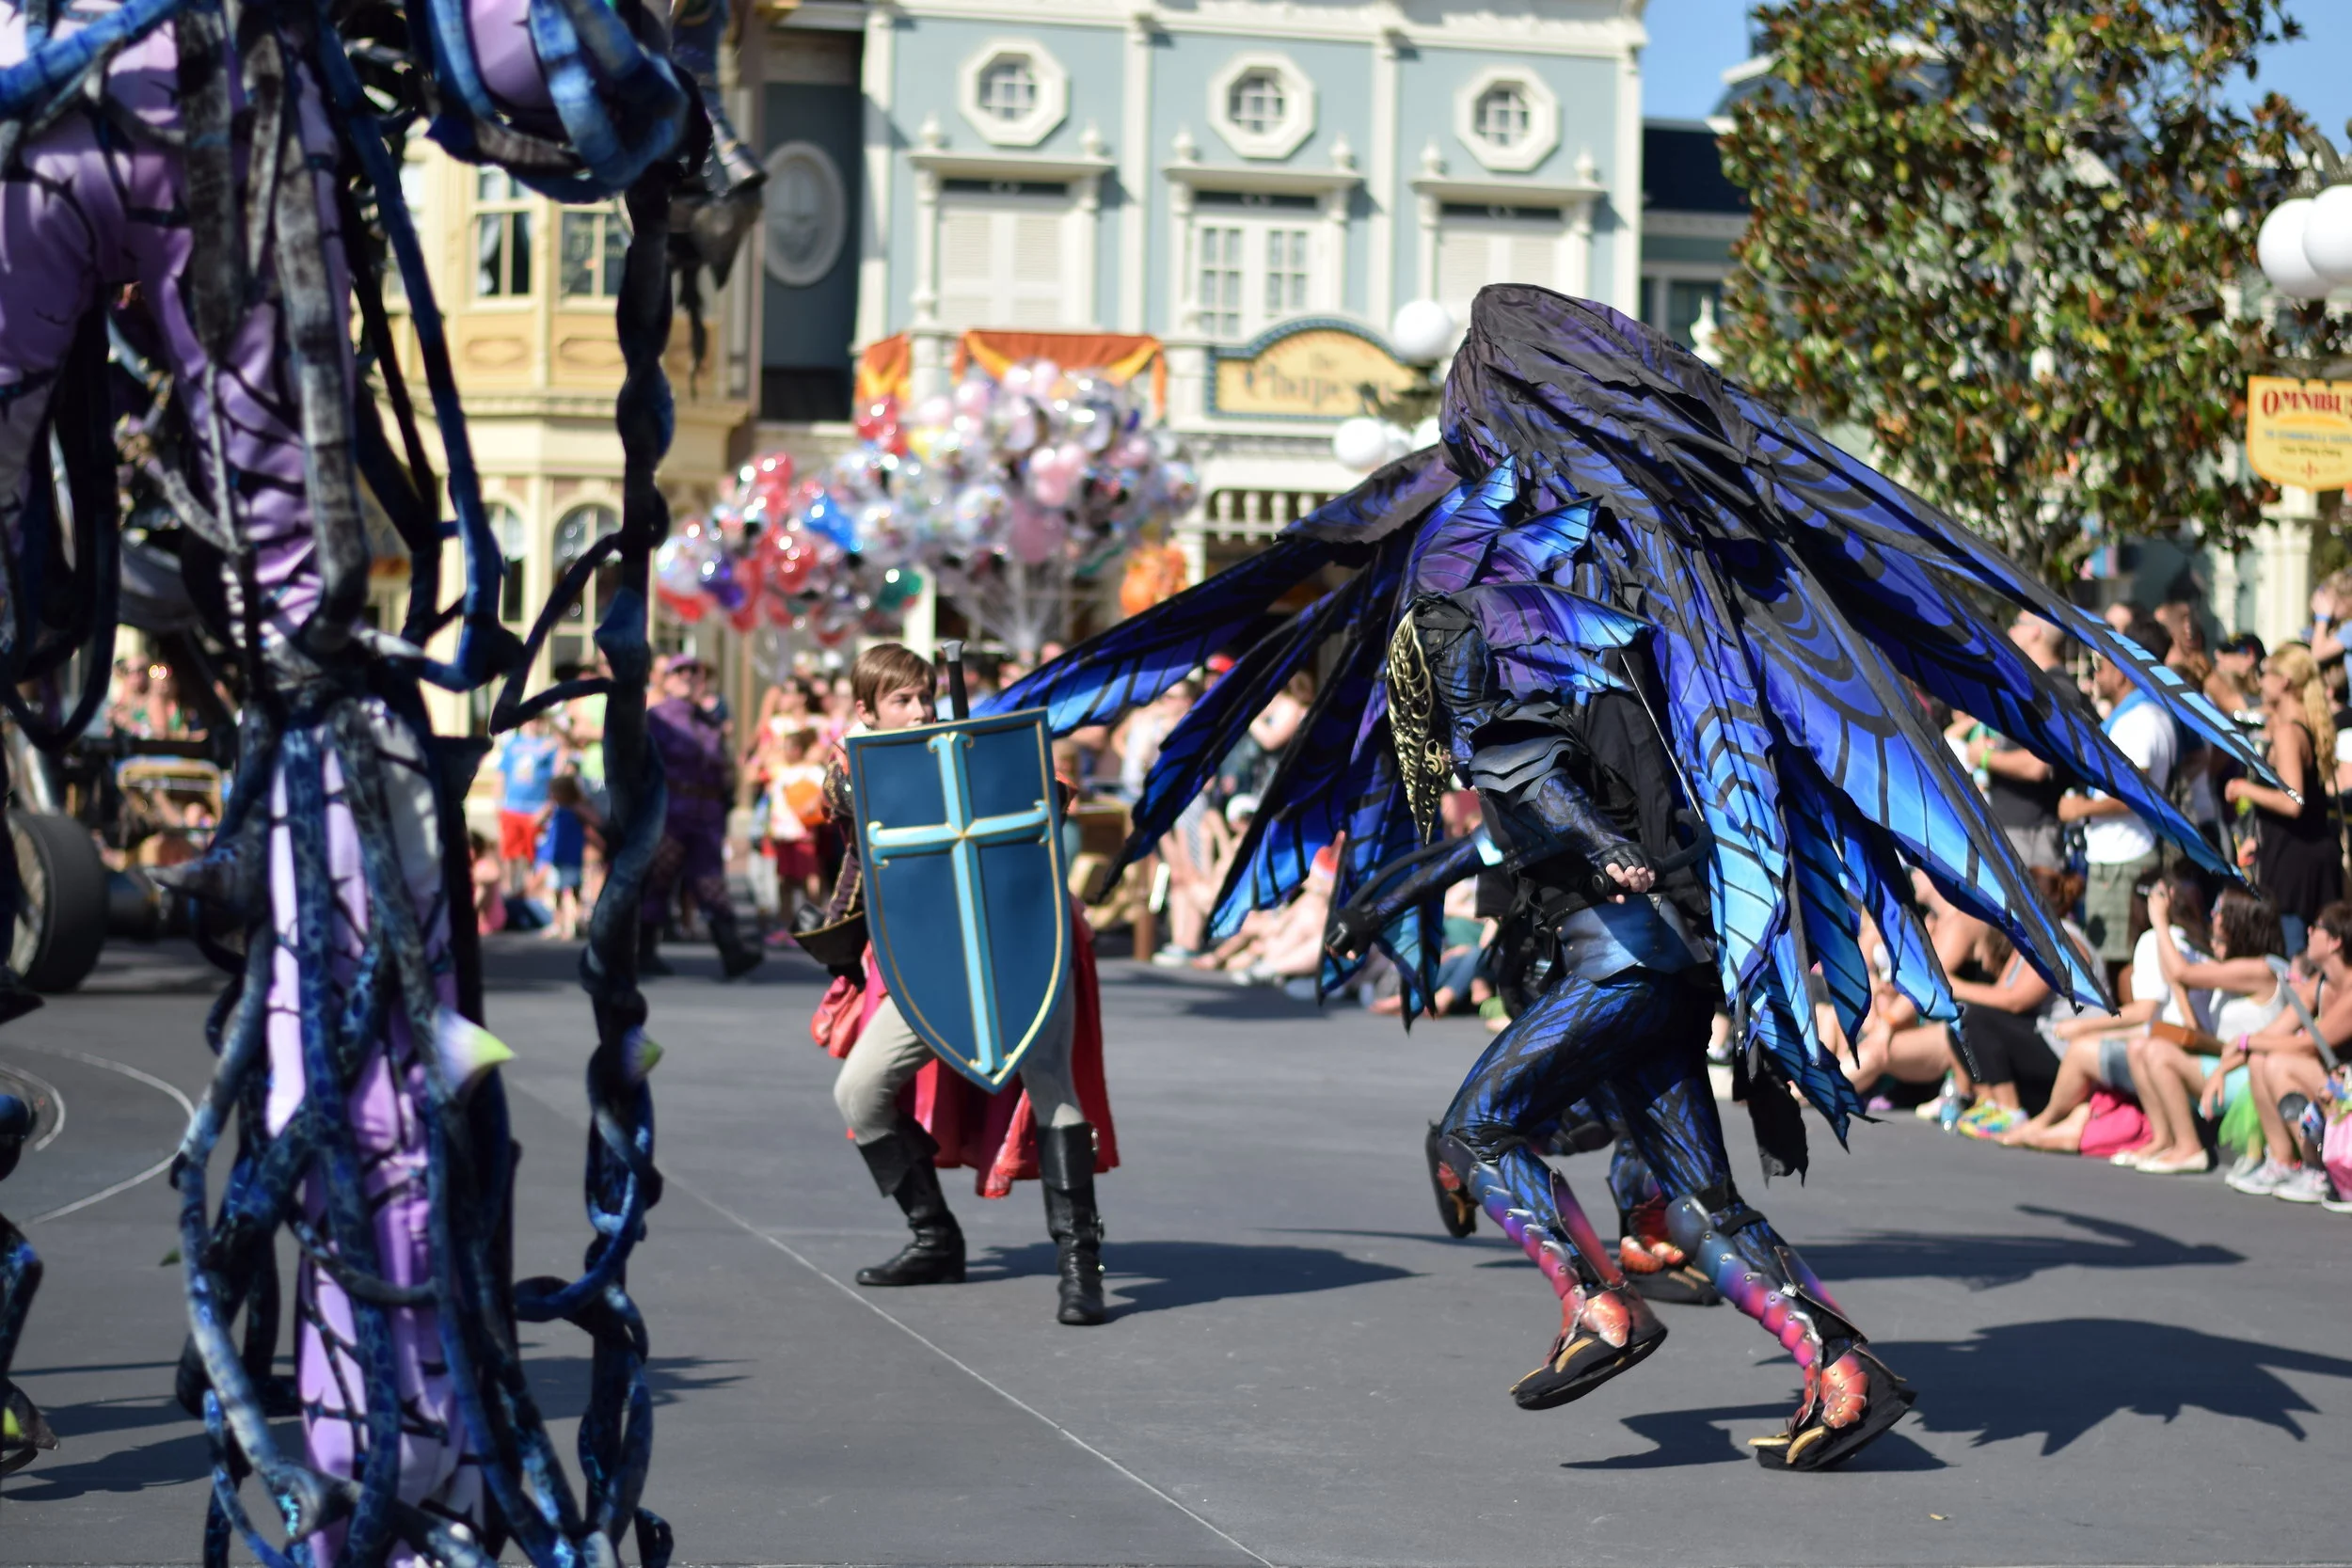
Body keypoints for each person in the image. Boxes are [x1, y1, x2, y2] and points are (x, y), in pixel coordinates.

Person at [816, 644, 1119, 1325]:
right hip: (928, 962)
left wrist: (985, 755)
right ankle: (934, 1236)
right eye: (903, 701)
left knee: (1053, 1090)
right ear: (867, 711)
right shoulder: (855, 768)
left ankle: (1081, 1267)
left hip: (1020, 948)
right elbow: (852, 828)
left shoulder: (980, 746)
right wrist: (834, 938)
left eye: (926, 696)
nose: (921, 709)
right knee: (859, 1092)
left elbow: (1048, 803)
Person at [1995, 871, 2214, 1152]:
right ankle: (2074, 1124)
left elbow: (2146, 1012)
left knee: (2081, 1051)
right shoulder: (2196, 944)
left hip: (2168, 1053)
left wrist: (2084, 1028)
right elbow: (2160, 1018)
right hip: (2184, 1045)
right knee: (2101, 1048)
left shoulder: (2153, 940)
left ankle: (2045, 1121)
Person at [2126, 885, 2289, 1175]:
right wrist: (2178, 988)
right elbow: (2203, 1029)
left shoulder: (2260, 970)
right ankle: (2165, 1139)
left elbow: (2182, 972)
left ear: (2239, 919)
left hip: (2253, 1077)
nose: (2213, 916)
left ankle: (2189, 1148)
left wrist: (2160, 921)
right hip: (2229, 1064)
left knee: (2158, 1053)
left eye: (2220, 911)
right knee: (2140, 1046)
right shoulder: (2234, 967)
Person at [2061, 617, 2178, 984]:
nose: (2097, 672)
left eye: (2103, 664)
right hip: (2123, 853)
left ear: (2124, 672)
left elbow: (2135, 793)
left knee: (2119, 961)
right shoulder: (2143, 715)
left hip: (2122, 858)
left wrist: (2081, 809)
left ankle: (2128, 1032)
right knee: (2118, 958)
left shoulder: (2139, 721)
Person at [2215, 899, 2352, 1201]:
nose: (2309, 931)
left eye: (2316, 927)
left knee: (2278, 1062)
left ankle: (2318, 1168)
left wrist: (2246, 1041)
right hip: (2336, 1087)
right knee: (2260, 1061)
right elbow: (2274, 1032)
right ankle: (2284, 1161)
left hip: (2346, 1090)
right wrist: (2225, 1067)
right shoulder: (2319, 984)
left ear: (2335, 941)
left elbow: (2308, 1043)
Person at [642, 655, 763, 978]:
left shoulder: (709, 722)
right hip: (669, 811)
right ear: (666, 680)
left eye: (695, 673)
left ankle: (732, 952)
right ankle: (642, 952)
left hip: (705, 814)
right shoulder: (656, 719)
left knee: (710, 879)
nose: (689, 677)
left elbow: (721, 769)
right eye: (680, 672)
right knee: (657, 880)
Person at [2229, 642, 2342, 957]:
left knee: (2290, 957)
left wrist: (2244, 788)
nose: (2260, 681)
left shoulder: (2289, 732)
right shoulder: (2306, 724)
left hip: (2295, 867)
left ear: (2285, 681)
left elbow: (2293, 801)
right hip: (2307, 855)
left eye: (2265, 674)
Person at [1966, 613, 2074, 871]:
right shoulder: (2032, 685)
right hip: (2013, 829)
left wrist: (1984, 757)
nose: (2010, 630)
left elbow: (2038, 765)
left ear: (2035, 632)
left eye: (2016, 623)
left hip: (2031, 834)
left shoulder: (2057, 689)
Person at [495, 717, 563, 896]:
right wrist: (498, 803)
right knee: (509, 852)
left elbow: (555, 779)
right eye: (531, 718)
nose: (535, 722)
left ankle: (527, 893)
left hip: (535, 810)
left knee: (531, 854)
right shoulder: (512, 744)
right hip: (511, 807)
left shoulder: (549, 745)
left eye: (538, 718)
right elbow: (501, 774)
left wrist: (548, 806)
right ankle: (508, 891)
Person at [537, 774, 593, 941]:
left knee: (574, 890)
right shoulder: (553, 810)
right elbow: (535, 822)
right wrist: (547, 809)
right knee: (556, 891)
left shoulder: (576, 810)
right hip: (556, 857)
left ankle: (576, 921)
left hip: (571, 857)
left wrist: (579, 808)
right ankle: (558, 922)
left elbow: (596, 821)